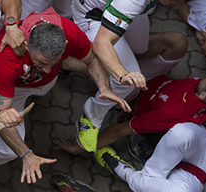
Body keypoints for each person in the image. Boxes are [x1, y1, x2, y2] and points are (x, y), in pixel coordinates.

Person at [0, 7, 130, 190]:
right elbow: (0, 114)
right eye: (41, 63)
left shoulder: (68, 31)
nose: (46, 70)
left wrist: (104, 88)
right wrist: (26, 154)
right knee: (7, 149)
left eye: (54, 62)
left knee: (45, 84)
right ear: (25, 45)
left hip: (38, 84)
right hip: (14, 89)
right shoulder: (8, 57)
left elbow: (92, 59)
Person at [72, 0, 188, 154]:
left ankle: (107, 62)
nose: (176, 6)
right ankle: (91, 116)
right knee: (126, 82)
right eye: (174, 1)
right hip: (93, 15)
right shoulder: (131, 1)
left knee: (140, 48)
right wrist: (123, 74)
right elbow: (101, 43)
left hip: (116, 7)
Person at [52, 74, 206, 161]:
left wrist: (78, 148)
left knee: (123, 129)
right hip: (145, 89)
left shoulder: (172, 113)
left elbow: (119, 133)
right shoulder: (205, 96)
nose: (205, 75)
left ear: (203, 96)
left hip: (145, 112)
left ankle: (141, 143)